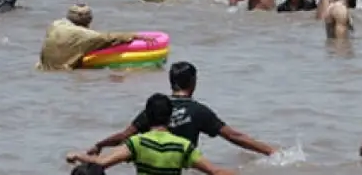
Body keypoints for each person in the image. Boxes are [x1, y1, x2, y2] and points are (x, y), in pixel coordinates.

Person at [88, 62, 275, 156]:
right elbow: (234, 137)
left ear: (171, 82)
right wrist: (271, 151)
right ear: (193, 82)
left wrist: (99, 145)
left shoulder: (156, 108)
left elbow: (123, 136)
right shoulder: (199, 111)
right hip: (184, 165)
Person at [68, 94, 236, 175]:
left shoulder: (138, 142)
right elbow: (216, 172)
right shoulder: (182, 146)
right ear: (170, 117)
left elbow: (101, 163)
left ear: (147, 116)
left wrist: (78, 155)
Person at [37, 4, 139, 71]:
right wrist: (135, 36)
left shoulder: (55, 24)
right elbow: (109, 37)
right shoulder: (84, 35)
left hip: (42, 69)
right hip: (63, 71)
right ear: (89, 20)